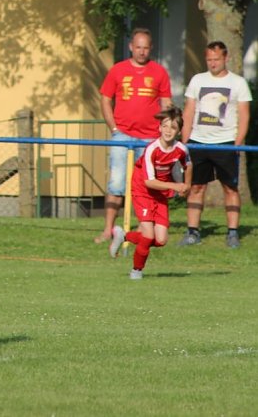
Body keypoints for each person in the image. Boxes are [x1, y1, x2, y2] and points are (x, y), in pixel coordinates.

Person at [96, 27, 172, 244]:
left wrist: (165, 132)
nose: (141, 51)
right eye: (137, 47)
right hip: (122, 135)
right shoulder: (118, 70)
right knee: (116, 183)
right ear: (131, 47)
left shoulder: (159, 72)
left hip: (149, 138)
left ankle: (143, 230)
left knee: (147, 185)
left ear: (151, 49)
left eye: (145, 48)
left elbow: (166, 103)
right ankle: (108, 230)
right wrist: (113, 127)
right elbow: (105, 99)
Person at [179, 41, 252, 248]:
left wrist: (237, 145)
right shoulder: (197, 80)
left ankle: (232, 233)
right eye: (209, 59)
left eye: (216, 59)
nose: (212, 63)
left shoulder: (238, 83)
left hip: (226, 143)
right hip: (198, 142)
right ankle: (192, 232)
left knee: (230, 188)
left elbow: (244, 117)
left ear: (226, 58)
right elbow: (189, 111)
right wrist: (185, 142)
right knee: (196, 187)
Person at [110, 108, 191, 279]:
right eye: (165, 126)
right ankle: (136, 271)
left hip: (160, 192)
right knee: (147, 235)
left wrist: (187, 185)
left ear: (178, 131)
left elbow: (188, 165)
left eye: (173, 127)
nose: (168, 130)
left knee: (160, 240)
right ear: (159, 128)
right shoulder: (151, 149)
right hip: (142, 190)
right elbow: (149, 181)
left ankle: (123, 235)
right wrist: (176, 186)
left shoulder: (181, 149)